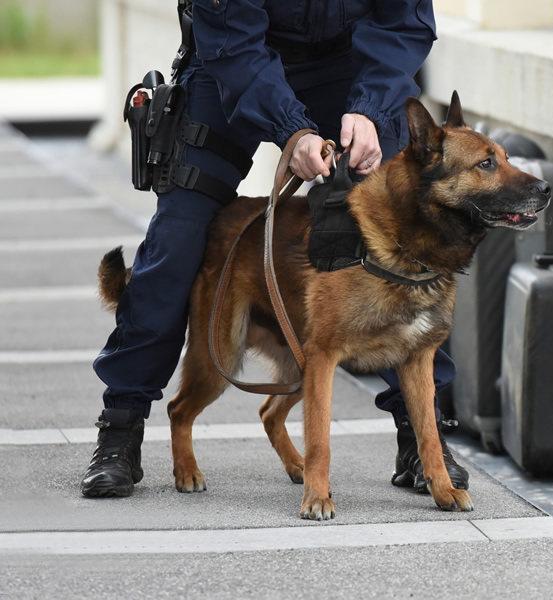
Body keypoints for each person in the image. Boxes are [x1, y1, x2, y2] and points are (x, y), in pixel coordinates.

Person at [80, 0, 469, 498]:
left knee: (413, 226)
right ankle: (121, 424)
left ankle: (420, 439)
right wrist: (293, 129)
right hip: (235, 61)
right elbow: (232, 37)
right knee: (179, 236)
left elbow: (402, 22)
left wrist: (372, 109)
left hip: (351, 66)